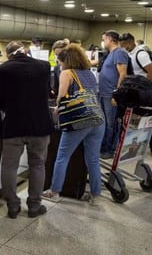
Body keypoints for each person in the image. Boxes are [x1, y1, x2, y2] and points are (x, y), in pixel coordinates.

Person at [0, 41, 53, 219]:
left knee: (9, 166)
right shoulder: (44, 66)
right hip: (40, 125)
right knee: (37, 164)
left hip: (14, 125)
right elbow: (47, 92)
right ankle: (34, 206)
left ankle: (13, 206)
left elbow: (1, 100)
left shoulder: (2, 70)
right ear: (26, 51)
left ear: (8, 54)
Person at [42, 44, 105, 205]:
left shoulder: (67, 73)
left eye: (60, 62)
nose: (60, 65)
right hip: (97, 118)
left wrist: (57, 110)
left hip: (79, 120)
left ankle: (54, 191)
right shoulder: (89, 73)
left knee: (62, 156)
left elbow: (61, 97)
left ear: (66, 61)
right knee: (93, 159)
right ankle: (95, 196)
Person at [98, 30, 129, 159]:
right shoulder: (110, 54)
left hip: (111, 94)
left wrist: (117, 94)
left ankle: (109, 149)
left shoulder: (119, 52)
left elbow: (123, 74)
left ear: (110, 39)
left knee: (111, 123)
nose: (103, 42)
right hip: (104, 93)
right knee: (104, 123)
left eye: (104, 39)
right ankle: (103, 146)